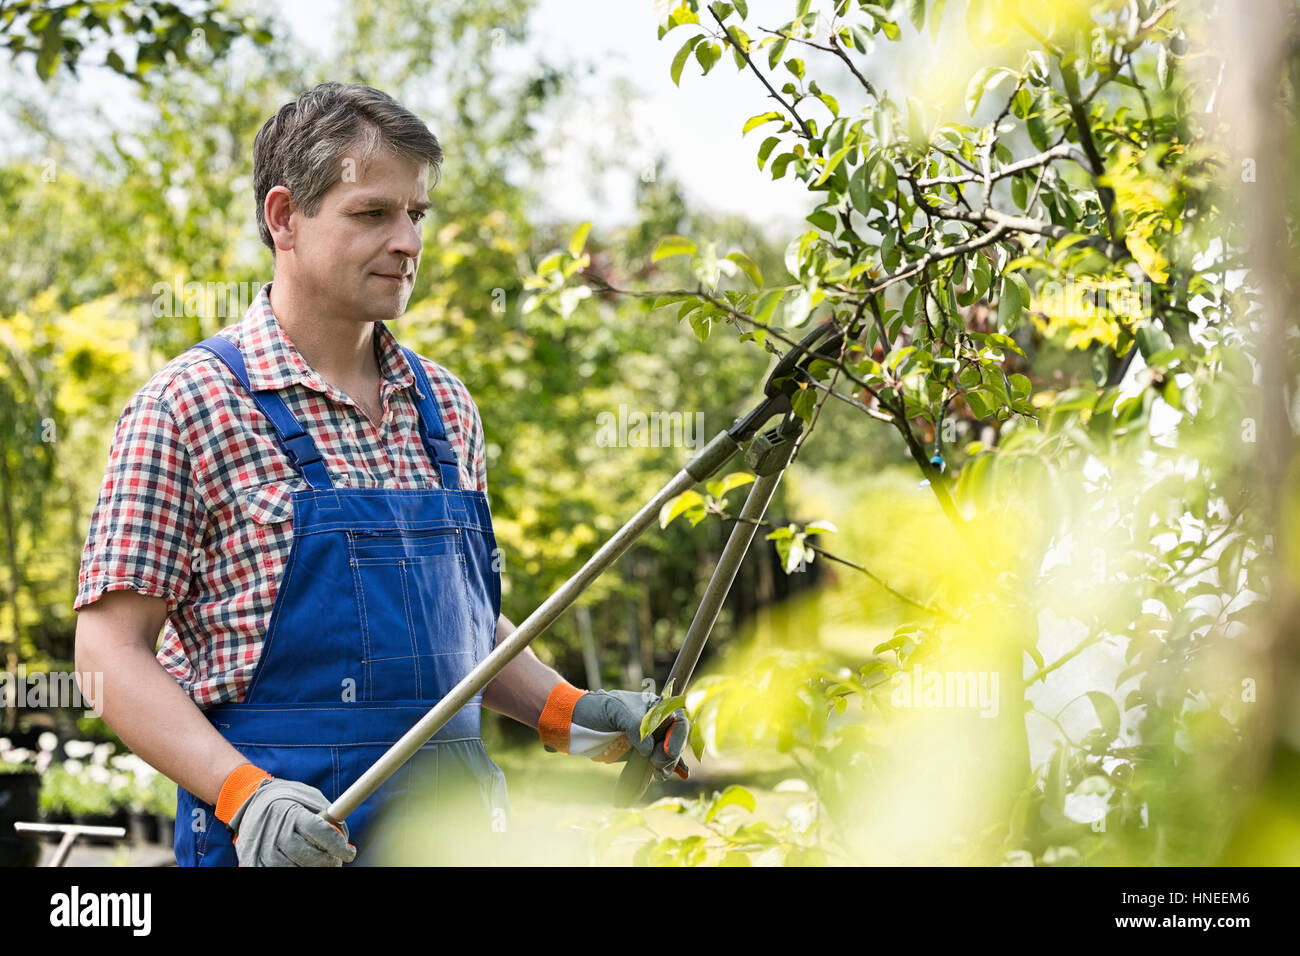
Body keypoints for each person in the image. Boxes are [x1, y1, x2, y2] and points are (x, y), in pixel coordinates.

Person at [73, 82, 687, 867]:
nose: (407, 241)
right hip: (282, 843)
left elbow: (456, 626)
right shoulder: (191, 406)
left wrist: (571, 710)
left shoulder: (446, 408)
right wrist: (244, 794)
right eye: (373, 214)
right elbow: (106, 654)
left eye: (416, 214)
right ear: (284, 217)